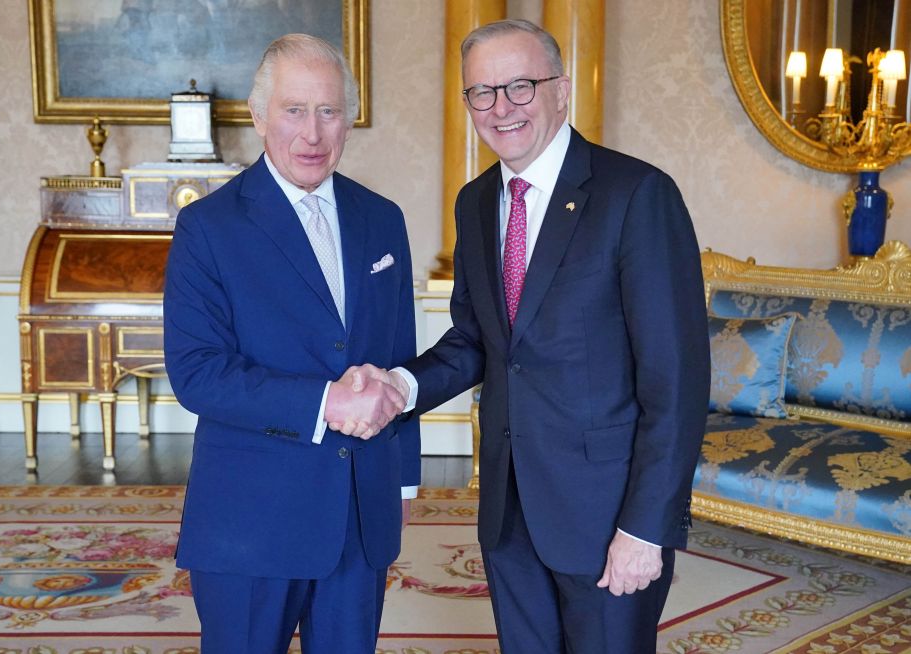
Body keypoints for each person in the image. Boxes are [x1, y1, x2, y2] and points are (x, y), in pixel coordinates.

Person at [367, 18, 709, 654]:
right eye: (482, 93)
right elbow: (479, 340)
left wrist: (645, 526)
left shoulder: (635, 194)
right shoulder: (475, 202)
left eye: (520, 86)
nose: (501, 108)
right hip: (508, 505)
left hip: (606, 513)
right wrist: (400, 385)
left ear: (561, 89)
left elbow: (678, 380)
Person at [163, 33, 420, 653]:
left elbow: (400, 356)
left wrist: (402, 484)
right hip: (251, 522)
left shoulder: (383, 218)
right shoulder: (207, 226)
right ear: (258, 117)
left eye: (328, 111)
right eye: (294, 110)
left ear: (349, 120)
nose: (313, 133)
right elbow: (197, 372)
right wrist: (323, 403)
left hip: (361, 515)